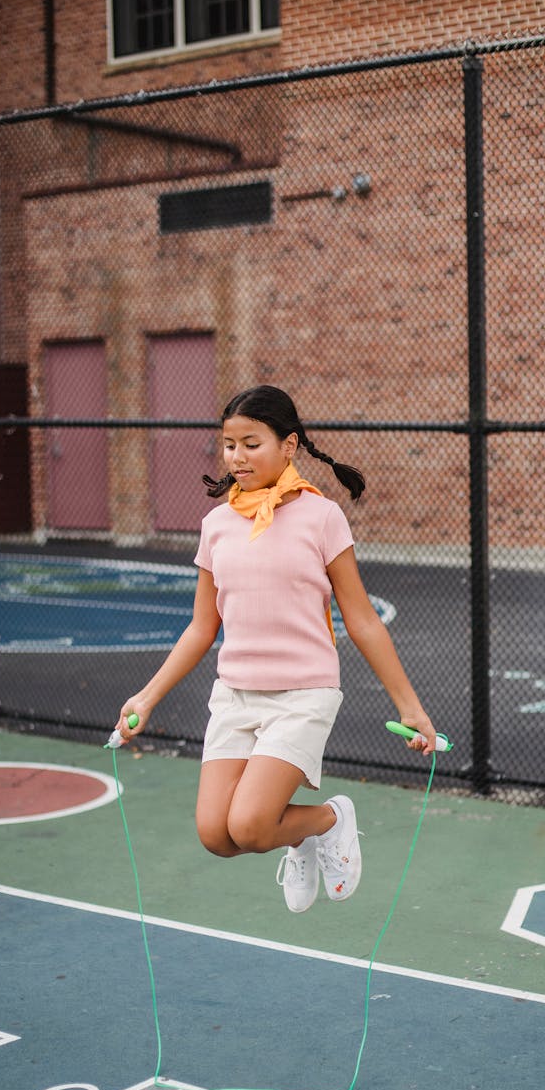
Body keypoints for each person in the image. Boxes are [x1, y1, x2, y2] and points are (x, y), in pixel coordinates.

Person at [114, 385, 437, 914]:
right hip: (236, 695)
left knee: (250, 823)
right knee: (216, 835)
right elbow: (201, 628)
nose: (237, 458)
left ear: (289, 446)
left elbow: (361, 618)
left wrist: (410, 706)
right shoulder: (216, 525)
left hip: (303, 694)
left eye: (251, 444)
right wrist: (146, 698)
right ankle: (302, 838)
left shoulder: (322, 516)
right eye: (229, 445)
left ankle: (329, 819)